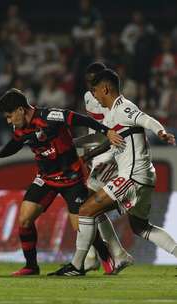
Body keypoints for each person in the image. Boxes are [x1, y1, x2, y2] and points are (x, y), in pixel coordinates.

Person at [48, 68, 177, 276]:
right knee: (141, 228)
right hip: (142, 177)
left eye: (96, 91)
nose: (94, 96)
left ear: (105, 88)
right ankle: (100, 259)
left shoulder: (124, 108)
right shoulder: (111, 117)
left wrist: (161, 132)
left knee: (85, 209)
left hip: (132, 177)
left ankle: (77, 265)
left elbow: (145, 119)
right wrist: (79, 150)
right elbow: (105, 140)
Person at [0, 88, 123, 276]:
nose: (9, 121)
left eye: (9, 116)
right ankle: (31, 266)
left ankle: (106, 256)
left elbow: (81, 119)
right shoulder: (20, 127)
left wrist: (107, 132)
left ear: (20, 110)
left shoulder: (51, 116)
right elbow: (16, 144)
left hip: (71, 177)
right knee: (25, 219)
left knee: (81, 227)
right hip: (46, 178)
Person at [79, 62, 134, 274]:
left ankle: (97, 256)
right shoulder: (88, 97)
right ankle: (114, 254)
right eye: (90, 82)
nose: (93, 87)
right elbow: (93, 129)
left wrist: (73, 142)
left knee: (89, 202)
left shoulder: (113, 101)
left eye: (96, 82)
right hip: (97, 154)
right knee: (91, 206)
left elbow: (105, 134)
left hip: (111, 153)